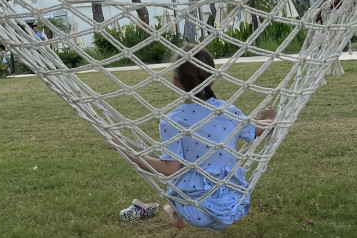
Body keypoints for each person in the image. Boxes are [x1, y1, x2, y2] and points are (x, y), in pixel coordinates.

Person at [112, 44, 276, 230]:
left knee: (180, 177)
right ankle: (174, 210)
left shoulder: (172, 121)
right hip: (234, 203)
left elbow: (170, 169)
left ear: (175, 82)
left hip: (196, 210)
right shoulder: (229, 112)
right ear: (212, 80)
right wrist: (269, 119)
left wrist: (129, 152)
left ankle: (173, 209)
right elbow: (258, 130)